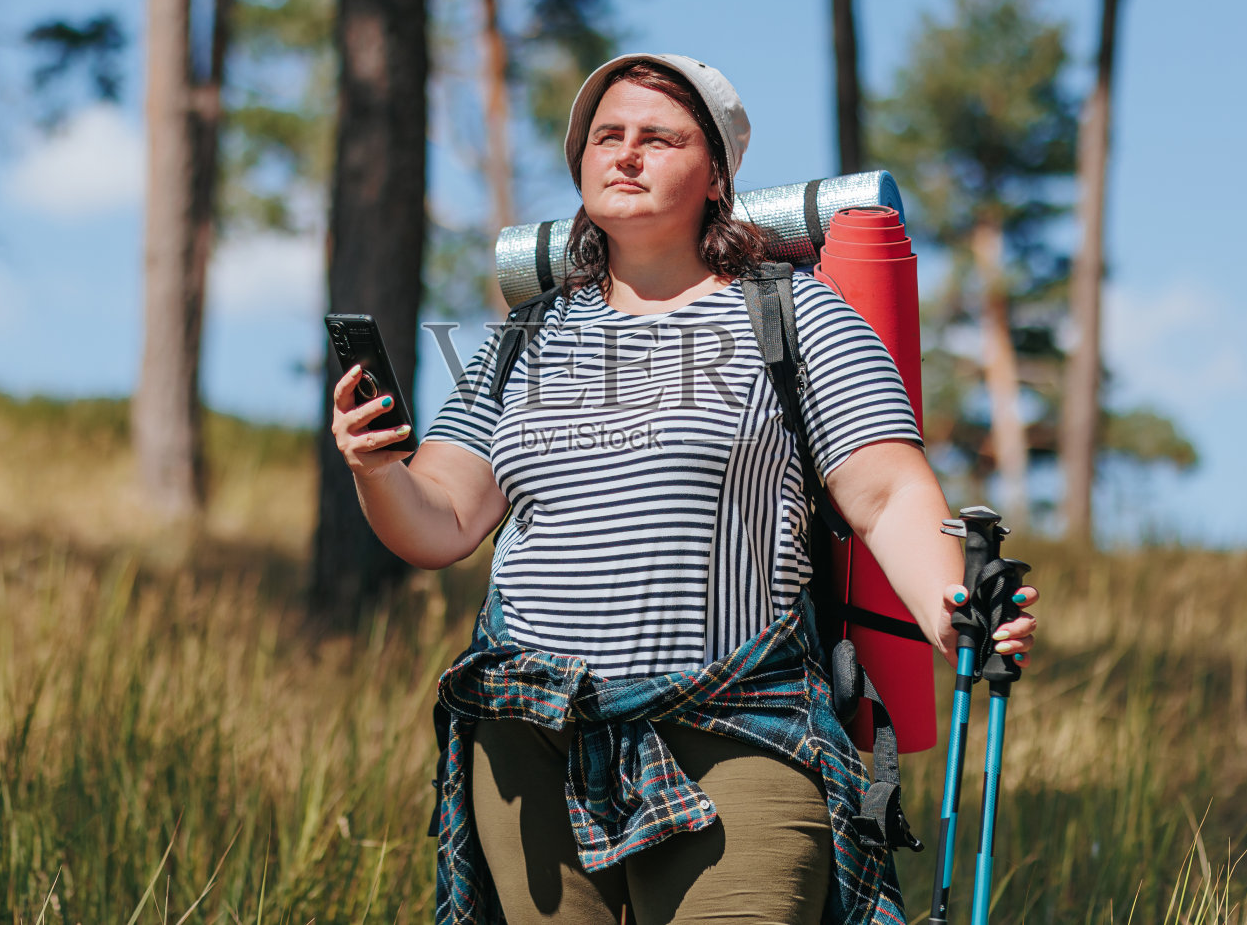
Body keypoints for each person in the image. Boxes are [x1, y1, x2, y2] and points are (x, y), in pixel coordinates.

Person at [330, 53, 1040, 925]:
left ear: (716, 176)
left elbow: (888, 493)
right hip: (528, 740)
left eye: (658, 138)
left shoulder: (797, 317)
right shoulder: (522, 340)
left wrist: (952, 608)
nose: (625, 154)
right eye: (606, 136)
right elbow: (438, 520)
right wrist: (376, 467)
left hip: (738, 727)